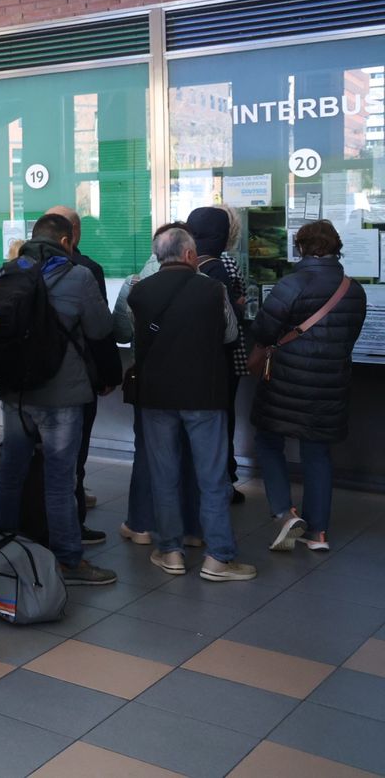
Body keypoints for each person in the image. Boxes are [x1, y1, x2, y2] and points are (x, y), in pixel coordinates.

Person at [0, 212, 118, 587]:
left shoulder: (5, 273)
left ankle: (2, 546)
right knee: (60, 479)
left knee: (10, 471)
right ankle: (68, 560)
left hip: (14, 393)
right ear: (66, 242)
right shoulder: (77, 276)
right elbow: (100, 329)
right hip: (62, 395)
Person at [127, 226, 255, 581]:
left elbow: (134, 337)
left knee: (164, 475)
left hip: (155, 397)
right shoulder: (213, 289)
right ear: (188, 255)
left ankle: (170, 552)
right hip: (205, 394)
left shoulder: (139, 292)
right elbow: (230, 334)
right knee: (212, 477)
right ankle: (218, 558)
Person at [249, 220, 366, 554]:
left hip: (284, 383)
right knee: (317, 453)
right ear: (336, 247)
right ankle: (318, 534)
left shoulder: (290, 285)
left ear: (300, 247)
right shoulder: (353, 290)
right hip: (330, 385)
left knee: (269, 442)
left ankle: (284, 513)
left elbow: (264, 331)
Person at [113, 223, 202, 547]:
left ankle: (141, 525)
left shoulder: (134, 284)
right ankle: (192, 530)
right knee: (191, 453)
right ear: (187, 251)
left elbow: (120, 333)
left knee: (148, 454)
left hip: (149, 381)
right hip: (195, 382)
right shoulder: (203, 282)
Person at [44, 204, 121, 538]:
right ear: (74, 234)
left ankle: (26, 529)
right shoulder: (87, 269)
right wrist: (107, 375)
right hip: (76, 381)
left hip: (25, 384)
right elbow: (99, 330)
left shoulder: (17, 268)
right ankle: (72, 530)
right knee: (72, 458)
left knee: (28, 460)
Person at [185, 206, 248, 501]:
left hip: (185, 361)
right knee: (221, 419)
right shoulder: (224, 266)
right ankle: (223, 479)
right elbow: (231, 323)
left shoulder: (170, 262)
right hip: (222, 358)